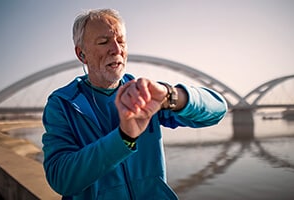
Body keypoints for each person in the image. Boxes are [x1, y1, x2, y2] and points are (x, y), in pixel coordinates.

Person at [42, 8, 228, 200]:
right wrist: (124, 137)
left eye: (121, 41)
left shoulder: (144, 94)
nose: (116, 49)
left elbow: (218, 110)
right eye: (104, 42)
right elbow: (60, 179)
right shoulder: (63, 104)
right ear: (82, 54)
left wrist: (169, 96)